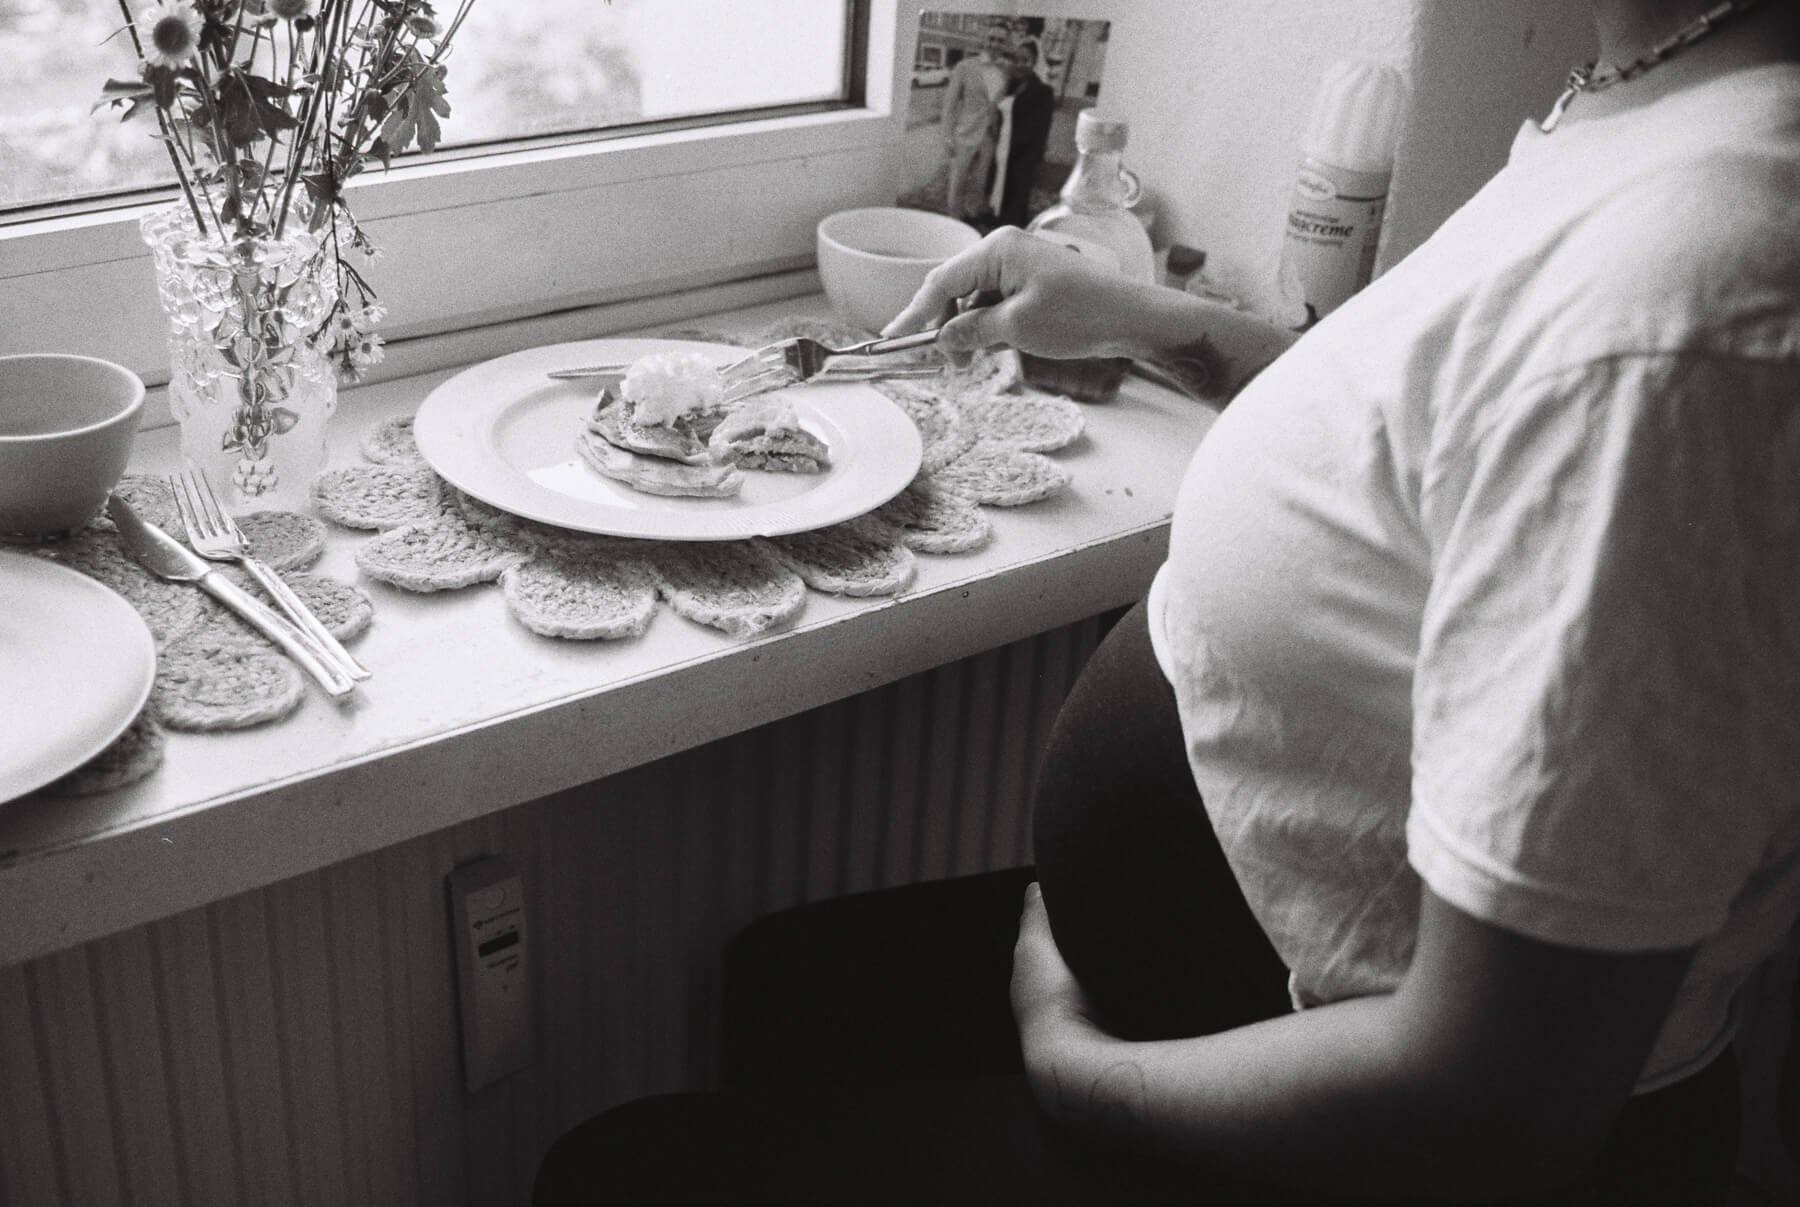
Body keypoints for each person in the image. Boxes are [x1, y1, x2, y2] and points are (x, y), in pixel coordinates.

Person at [536, 2, 1800, 1202]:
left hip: (1329, 1114)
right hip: (1217, 980)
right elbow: (1436, 436)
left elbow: (1497, 1099)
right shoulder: (1641, 106)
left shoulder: (1699, 294)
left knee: (614, 1177)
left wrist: (1086, 1075)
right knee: (789, 988)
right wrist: (1142, 323)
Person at [940, 24, 1011, 223]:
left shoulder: (1006, 71)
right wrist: (947, 135)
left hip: (990, 134)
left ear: (1005, 44)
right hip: (965, 132)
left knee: (981, 179)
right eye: (992, 38)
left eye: (1000, 40)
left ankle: (972, 213)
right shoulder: (965, 67)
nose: (995, 44)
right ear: (984, 40)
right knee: (958, 178)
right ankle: (953, 218)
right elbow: (950, 104)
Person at [992, 39, 1057, 229]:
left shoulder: (1044, 92)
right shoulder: (1009, 85)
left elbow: (1042, 129)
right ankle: (997, 221)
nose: (1020, 64)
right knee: (999, 190)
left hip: (1023, 153)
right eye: (1017, 59)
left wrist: (1032, 156)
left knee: (1016, 195)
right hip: (1002, 147)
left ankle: (1011, 229)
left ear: (1035, 62)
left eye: (1026, 60)